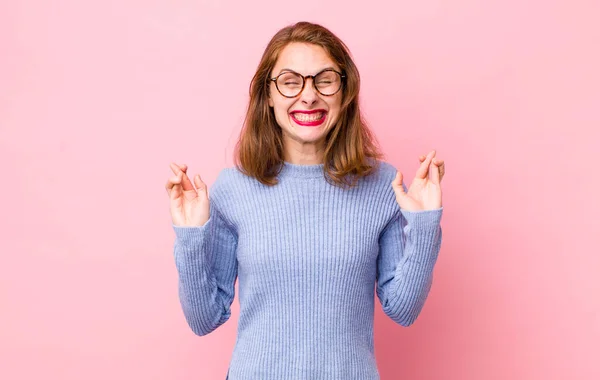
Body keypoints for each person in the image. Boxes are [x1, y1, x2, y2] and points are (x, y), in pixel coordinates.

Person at [165, 21, 445, 380]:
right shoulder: (233, 190)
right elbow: (204, 319)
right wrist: (190, 238)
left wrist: (425, 224)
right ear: (268, 94)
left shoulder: (383, 187)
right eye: (290, 81)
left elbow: (403, 310)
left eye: (324, 79)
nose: (308, 95)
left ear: (345, 92)